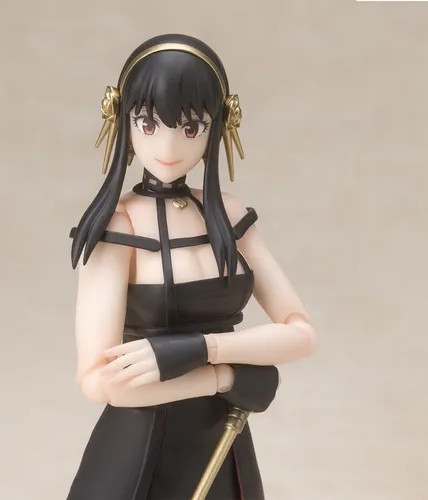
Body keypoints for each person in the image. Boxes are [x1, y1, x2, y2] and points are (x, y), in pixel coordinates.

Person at [66, 33, 315, 500]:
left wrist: (204, 348)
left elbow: (300, 334)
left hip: (223, 437)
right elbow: (98, 380)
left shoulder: (230, 216)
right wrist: (224, 377)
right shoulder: (117, 226)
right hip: (139, 446)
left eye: (191, 126)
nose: (168, 144)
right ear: (121, 119)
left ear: (218, 126)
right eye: (147, 123)